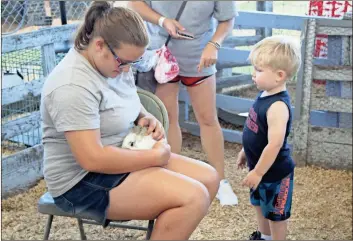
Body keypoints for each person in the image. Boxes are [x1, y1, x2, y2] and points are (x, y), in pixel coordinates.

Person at [40, 2, 219, 240]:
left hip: (119, 154)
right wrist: (153, 157)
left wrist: (145, 116)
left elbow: (131, 104)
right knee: (193, 196)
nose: (127, 70)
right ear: (100, 45)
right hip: (81, 181)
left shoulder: (111, 63)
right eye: (123, 62)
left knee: (209, 177)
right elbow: (91, 158)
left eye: (132, 63)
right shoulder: (72, 85)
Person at [128, 1, 239, 206]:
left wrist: (214, 44)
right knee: (168, 119)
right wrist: (162, 20)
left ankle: (221, 181)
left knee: (207, 118)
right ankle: (172, 178)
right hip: (161, 54)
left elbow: (227, 19)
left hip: (199, 56)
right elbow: (133, 3)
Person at [236, 35, 301, 240]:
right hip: (259, 167)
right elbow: (257, 130)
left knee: (276, 214)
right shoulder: (265, 94)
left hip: (274, 173)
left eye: (259, 70)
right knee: (259, 204)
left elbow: (274, 144)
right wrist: (246, 150)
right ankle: (264, 237)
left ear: (279, 75)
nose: (253, 74)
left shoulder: (278, 106)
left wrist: (258, 172)